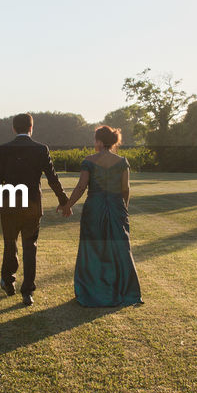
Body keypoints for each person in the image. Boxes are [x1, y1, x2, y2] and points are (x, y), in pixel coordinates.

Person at [58, 125, 142, 307]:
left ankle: (92, 290)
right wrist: (123, 208)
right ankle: (124, 290)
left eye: (95, 140)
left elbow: (81, 187)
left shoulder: (89, 161)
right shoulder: (122, 162)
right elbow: (125, 188)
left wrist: (67, 205)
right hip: (116, 206)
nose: (94, 143)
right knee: (120, 248)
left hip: (94, 207)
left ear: (100, 141)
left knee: (93, 248)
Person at [0, 113, 69, 306]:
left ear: (13, 128)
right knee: (30, 247)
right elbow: (52, 177)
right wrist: (63, 199)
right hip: (33, 205)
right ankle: (27, 292)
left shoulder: (4, 149)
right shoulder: (41, 149)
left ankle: (8, 281)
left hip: (9, 203)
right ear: (31, 128)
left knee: (10, 244)